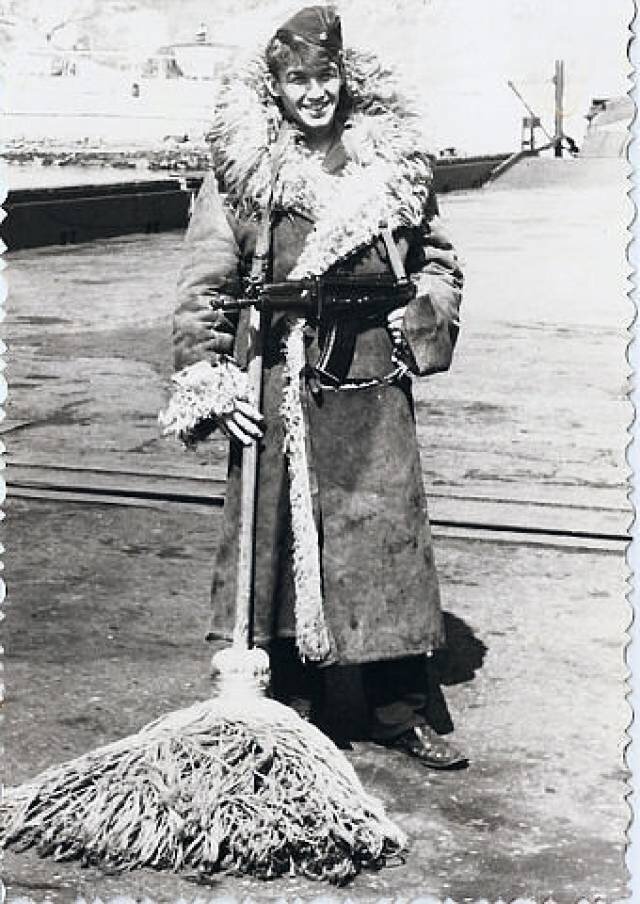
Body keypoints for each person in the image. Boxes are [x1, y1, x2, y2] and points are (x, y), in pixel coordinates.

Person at [172, 5, 466, 768]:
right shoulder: (244, 170)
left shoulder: (391, 162)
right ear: (274, 86)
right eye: (298, 79)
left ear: (345, 76)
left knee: (386, 542)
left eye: (325, 75)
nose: (314, 93)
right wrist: (210, 376)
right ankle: (290, 712)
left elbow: (438, 261)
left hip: (371, 378)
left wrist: (421, 315)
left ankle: (400, 712)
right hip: (280, 376)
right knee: (275, 543)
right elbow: (205, 285)